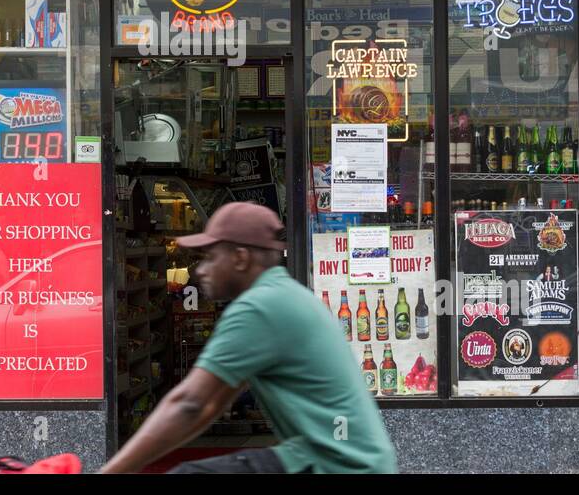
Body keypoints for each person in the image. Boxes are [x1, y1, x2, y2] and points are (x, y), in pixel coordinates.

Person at [99, 201, 397, 474]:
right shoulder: (283, 294)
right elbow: (211, 404)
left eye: (211, 257)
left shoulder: (259, 307)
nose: (201, 270)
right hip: (347, 459)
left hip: (333, 464)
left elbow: (189, 403)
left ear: (240, 258)